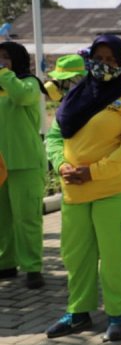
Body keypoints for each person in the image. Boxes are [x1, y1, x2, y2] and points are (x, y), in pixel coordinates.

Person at [45, 35, 121, 340]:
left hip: (112, 191)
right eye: (98, 57)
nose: (103, 64)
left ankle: (117, 314)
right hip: (74, 192)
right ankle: (78, 312)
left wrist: (93, 172)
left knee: (115, 257)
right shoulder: (74, 95)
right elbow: (54, 137)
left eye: (111, 59)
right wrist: (61, 165)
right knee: (76, 256)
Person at [0, 41, 47, 289]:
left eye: (6, 58)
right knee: (2, 219)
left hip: (25, 162)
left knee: (27, 218)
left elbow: (19, 96)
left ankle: (32, 267)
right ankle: (5, 263)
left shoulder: (29, 84)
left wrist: (4, 73)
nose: (2, 62)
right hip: (1, 165)